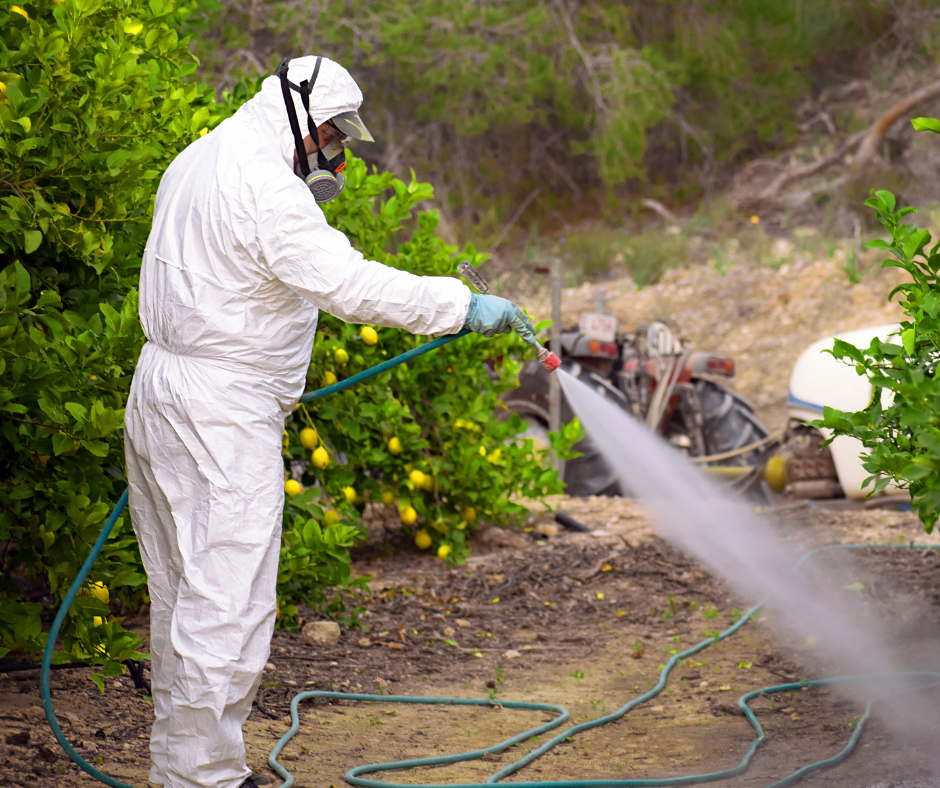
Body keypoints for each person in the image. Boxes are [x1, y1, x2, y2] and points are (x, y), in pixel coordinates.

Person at [124, 55, 535, 788]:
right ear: (300, 118)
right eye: (332, 135)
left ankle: (184, 769)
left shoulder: (199, 156)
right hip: (220, 410)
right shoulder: (268, 188)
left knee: (183, 593)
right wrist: (461, 307)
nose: (336, 151)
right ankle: (203, 781)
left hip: (162, 389)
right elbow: (347, 283)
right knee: (228, 599)